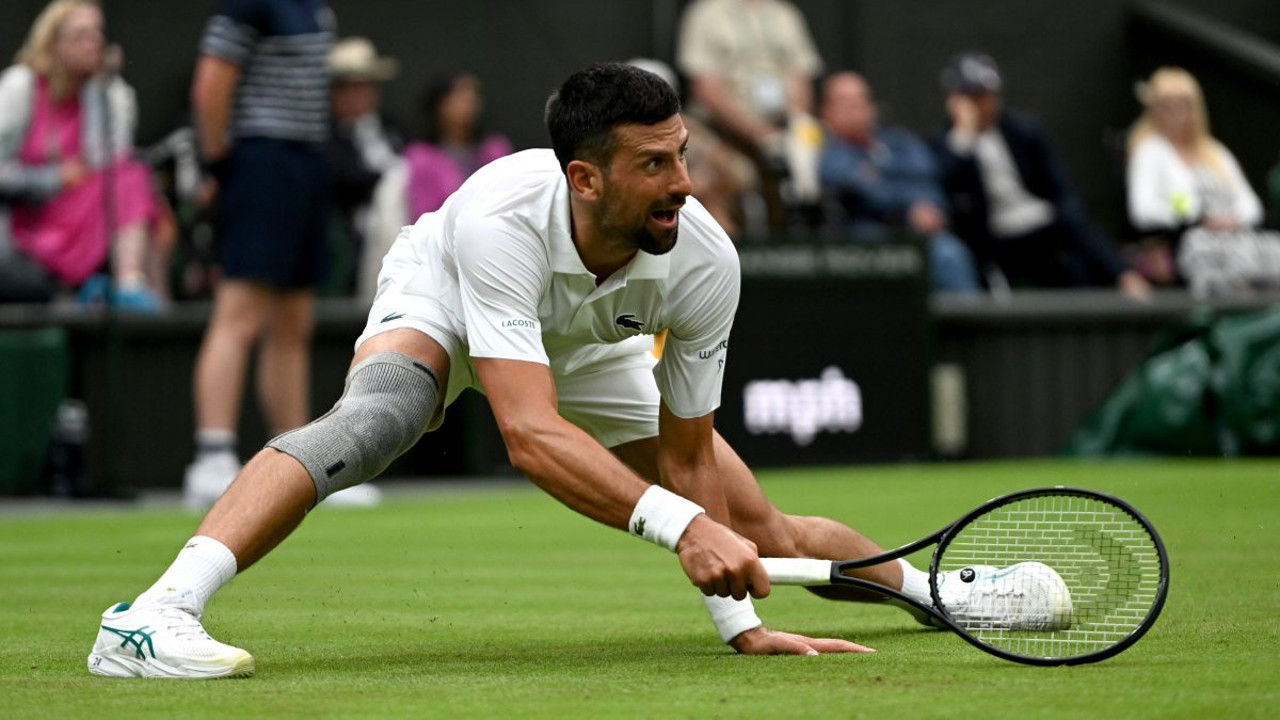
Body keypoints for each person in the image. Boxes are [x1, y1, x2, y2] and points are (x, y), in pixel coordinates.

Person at [87, 63, 1068, 678]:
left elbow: (687, 461)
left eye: (681, 155)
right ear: (584, 175)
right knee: (378, 415)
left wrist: (736, 621)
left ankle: (941, 593)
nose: (683, 183)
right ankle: (152, 616)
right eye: (654, 164)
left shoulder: (704, 258)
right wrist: (683, 531)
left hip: (589, 336)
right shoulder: (499, 216)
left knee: (758, 522)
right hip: (454, 295)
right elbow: (527, 434)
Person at [183, 0, 377, 509]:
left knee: (293, 322)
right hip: (259, 163)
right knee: (240, 314)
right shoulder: (252, 4)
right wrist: (220, 164)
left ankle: (299, 460)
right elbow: (210, 86)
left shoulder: (317, 11)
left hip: (305, 167)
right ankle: (212, 454)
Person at [932, 53, 1150, 298]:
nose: (987, 104)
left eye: (990, 95)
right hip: (994, 242)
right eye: (976, 97)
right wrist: (964, 138)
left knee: (1076, 234)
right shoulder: (946, 146)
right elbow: (944, 191)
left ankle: (1124, 277)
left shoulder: (1024, 131)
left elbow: (1062, 190)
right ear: (955, 101)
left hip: (1043, 225)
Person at [0, 0, 170, 308]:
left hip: (85, 214)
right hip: (29, 222)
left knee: (134, 176)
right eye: (81, 35)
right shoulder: (20, 88)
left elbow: (112, 161)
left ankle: (131, 285)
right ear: (54, 43)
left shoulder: (107, 92)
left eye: (97, 34)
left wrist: (101, 88)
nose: (93, 43)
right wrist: (51, 177)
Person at [818, 71, 979, 292]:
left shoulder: (899, 142)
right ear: (826, 112)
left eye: (861, 98)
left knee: (950, 253)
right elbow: (864, 190)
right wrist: (909, 208)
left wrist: (924, 204)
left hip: (922, 236)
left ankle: (968, 326)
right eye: (844, 101)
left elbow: (928, 174)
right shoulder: (830, 153)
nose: (855, 106)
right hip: (868, 238)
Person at [676, 0, 825, 226]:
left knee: (816, 152)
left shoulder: (785, 15)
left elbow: (801, 75)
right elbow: (706, 88)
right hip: (723, 133)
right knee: (722, 179)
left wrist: (793, 124)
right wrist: (760, 134)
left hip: (785, 130)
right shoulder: (706, 14)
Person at [1126, 67, 1263, 285]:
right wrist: (1197, 216)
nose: (1175, 113)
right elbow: (1142, 212)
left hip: (1237, 237)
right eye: (1166, 105)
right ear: (1154, 109)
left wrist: (1231, 220)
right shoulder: (1149, 151)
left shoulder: (1215, 152)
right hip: (1188, 242)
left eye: (1182, 105)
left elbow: (1251, 204)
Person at [326, 37, 406, 296]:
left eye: (366, 85)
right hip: (355, 234)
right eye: (350, 87)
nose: (360, 95)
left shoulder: (393, 128)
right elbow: (344, 182)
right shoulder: (326, 139)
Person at [404, 71, 512, 219]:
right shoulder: (421, 158)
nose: (470, 103)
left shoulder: (495, 149)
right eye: (460, 97)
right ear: (439, 105)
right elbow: (422, 216)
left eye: (473, 96)